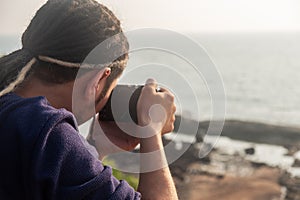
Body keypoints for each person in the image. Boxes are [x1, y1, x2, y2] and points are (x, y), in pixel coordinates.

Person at [0, 0, 178, 199]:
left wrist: (95, 148)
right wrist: (151, 130)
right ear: (98, 79)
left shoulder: (16, 116)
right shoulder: (47, 134)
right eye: (109, 89)